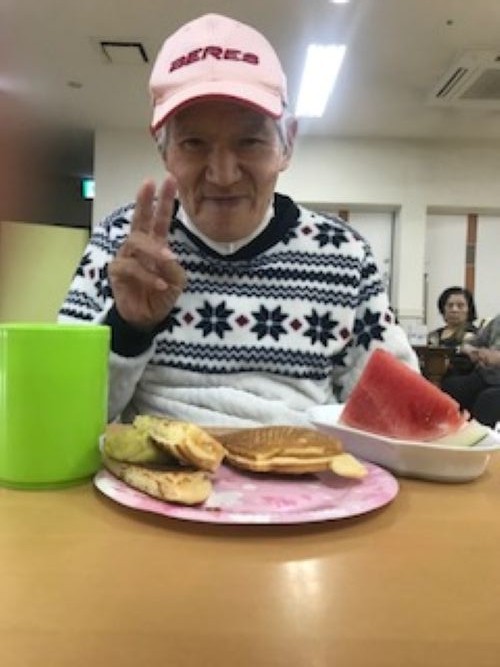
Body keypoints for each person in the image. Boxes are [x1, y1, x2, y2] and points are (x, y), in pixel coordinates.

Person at [58, 12, 418, 426]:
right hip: (157, 462)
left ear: (287, 144)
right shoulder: (119, 245)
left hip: (303, 463)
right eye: (194, 143)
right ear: (163, 149)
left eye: (250, 141)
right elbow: (61, 412)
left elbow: (398, 416)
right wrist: (128, 329)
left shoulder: (346, 255)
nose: (223, 175)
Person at [440, 314, 500, 428]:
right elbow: (468, 344)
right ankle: (451, 433)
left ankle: (480, 436)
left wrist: (495, 358)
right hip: (484, 375)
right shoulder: (497, 321)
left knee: (488, 399)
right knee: (451, 387)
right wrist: (475, 352)